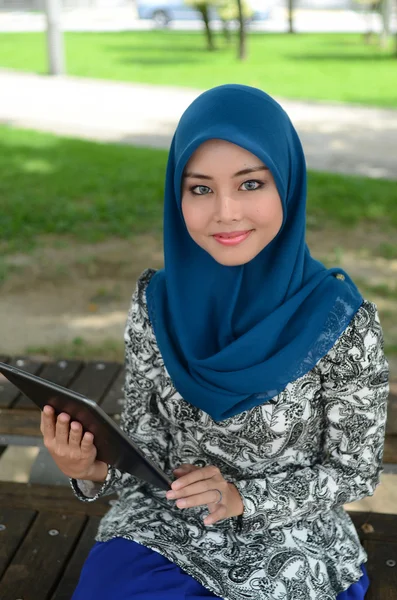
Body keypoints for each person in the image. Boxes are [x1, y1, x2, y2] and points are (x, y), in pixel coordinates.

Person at [40, 84, 389, 600]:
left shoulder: (339, 322)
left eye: (250, 184)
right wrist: (91, 469)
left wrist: (242, 497)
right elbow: (145, 441)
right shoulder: (157, 303)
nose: (225, 211)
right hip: (167, 526)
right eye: (200, 188)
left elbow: (353, 472)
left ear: (287, 187)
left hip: (288, 536)